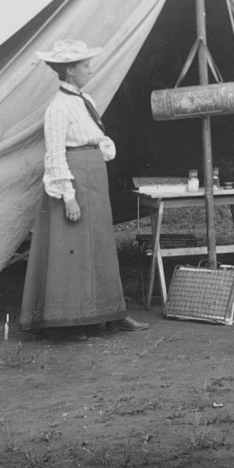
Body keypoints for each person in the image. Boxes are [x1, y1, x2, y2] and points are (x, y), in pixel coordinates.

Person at [20, 39, 148, 338]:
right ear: (69, 71)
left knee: (101, 245)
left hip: (94, 176)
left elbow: (95, 134)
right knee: (72, 250)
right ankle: (69, 322)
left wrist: (101, 145)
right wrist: (68, 196)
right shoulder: (57, 108)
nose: (90, 69)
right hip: (73, 178)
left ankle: (110, 315)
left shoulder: (84, 99)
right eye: (84, 65)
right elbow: (54, 153)